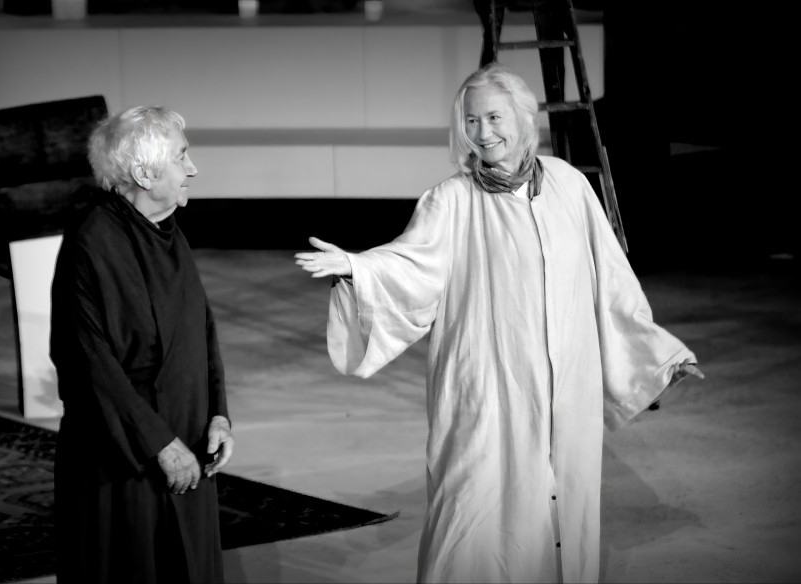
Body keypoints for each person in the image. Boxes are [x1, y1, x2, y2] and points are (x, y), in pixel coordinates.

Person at [295, 62, 704, 583]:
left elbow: (611, 283)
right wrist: (357, 267)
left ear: (522, 117)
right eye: (471, 120)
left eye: (493, 117)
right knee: (473, 513)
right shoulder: (451, 200)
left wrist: (657, 354)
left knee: (560, 511)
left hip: (564, 394)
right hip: (487, 393)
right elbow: (410, 266)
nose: (483, 133)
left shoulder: (570, 185)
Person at [50, 105, 234, 584]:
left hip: (188, 441)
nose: (193, 168)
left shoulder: (169, 232)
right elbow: (89, 364)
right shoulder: (92, 242)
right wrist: (161, 445)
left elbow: (201, 330)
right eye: (181, 156)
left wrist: (218, 414)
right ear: (144, 173)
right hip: (126, 460)